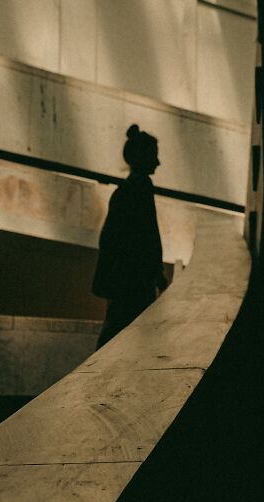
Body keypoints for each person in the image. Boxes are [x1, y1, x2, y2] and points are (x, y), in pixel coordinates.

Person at [93, 124, 168, 348]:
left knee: (116, 331)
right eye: (153, 156)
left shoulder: (126, 190)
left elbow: (112, 238)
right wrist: (156, 271)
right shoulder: (142, 187)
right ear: (140, 156)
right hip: (135, 279)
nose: (157, 162)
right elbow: (147, 235)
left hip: (124, 278)